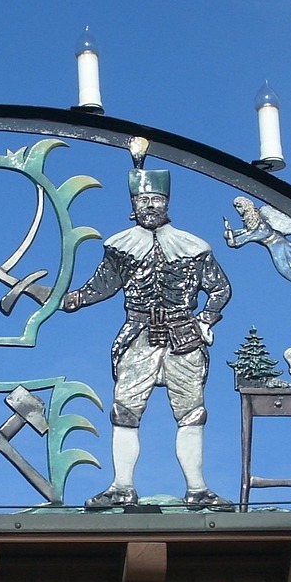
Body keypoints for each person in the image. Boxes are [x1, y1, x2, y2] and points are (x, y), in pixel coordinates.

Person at [62, 162, 234, 511]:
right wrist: (77, 298)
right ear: (133, 205)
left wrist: (205, 320)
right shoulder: (121, 248)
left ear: (166, 202)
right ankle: (122, 486)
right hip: (138, 334)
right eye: (143, 201)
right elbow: (103, 285)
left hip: (183, 335)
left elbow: (220, 289)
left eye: (155, 199)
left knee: (191, 412)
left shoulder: (194, 247)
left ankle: (198, 489)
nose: (150, 206)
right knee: (125, 411)